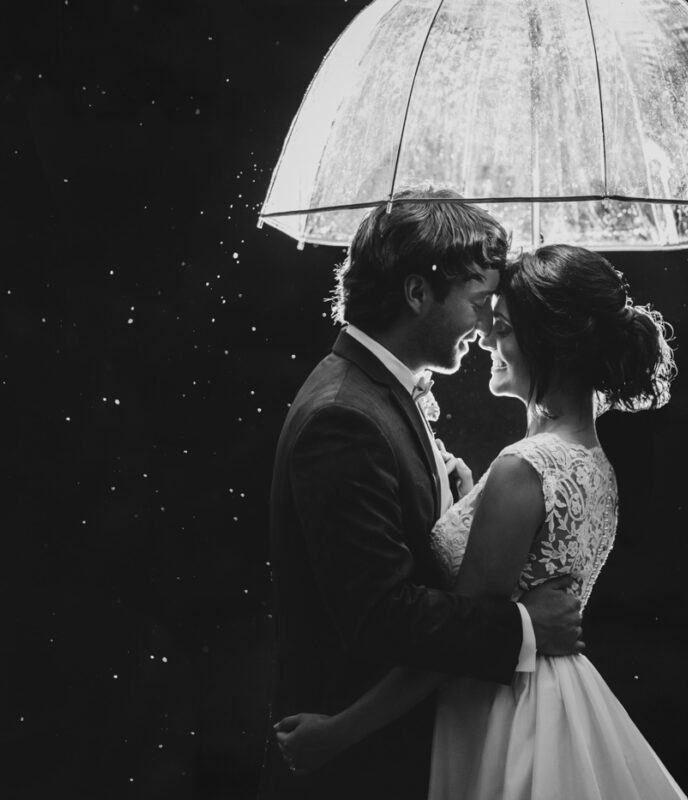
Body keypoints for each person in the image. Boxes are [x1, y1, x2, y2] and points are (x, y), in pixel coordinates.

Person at [274, 244, 686, 799]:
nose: (487, 337)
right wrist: (465, 505)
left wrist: (339, 732)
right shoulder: (593, 463)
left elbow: (453, 644)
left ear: (551, 346)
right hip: (559, 701)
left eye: (506, 328)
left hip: (501, 709)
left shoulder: (524, 469)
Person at [257, 191, 586, 800]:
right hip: (356, 773)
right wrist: (523, 626)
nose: (487, 324)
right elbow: (381, 616)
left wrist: (452, 506)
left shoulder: (377, 392)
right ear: (417, 294)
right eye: (479, 302)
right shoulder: (344, 418)